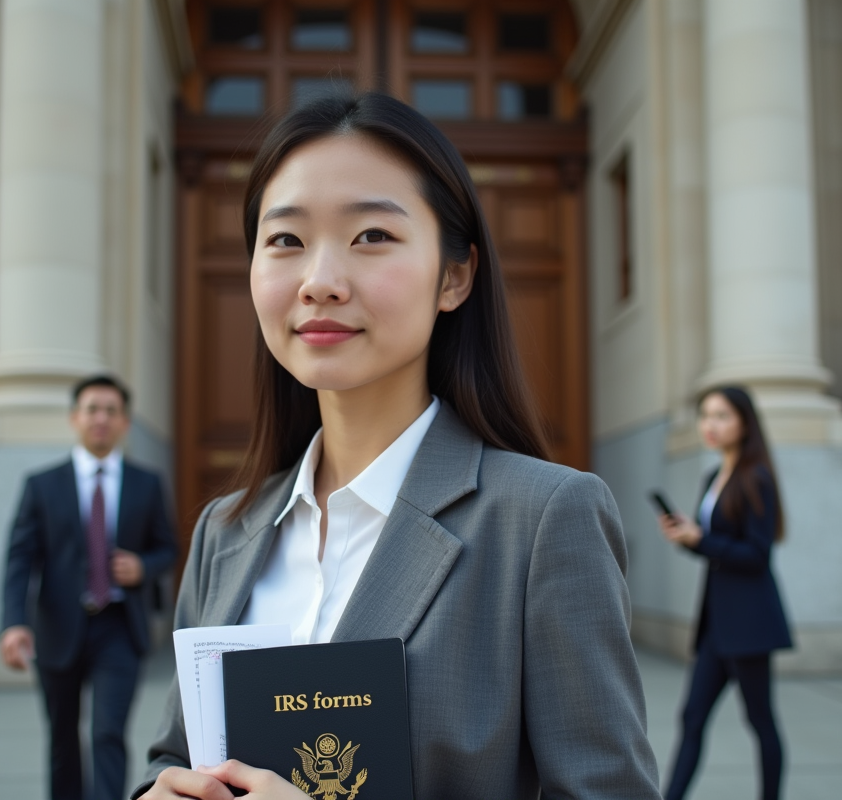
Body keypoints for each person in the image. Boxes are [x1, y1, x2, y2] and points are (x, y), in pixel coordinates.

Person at [133, 92, 661, 800]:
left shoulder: (542, 522)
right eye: (285, 240)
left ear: (455, 276)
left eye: (372, 236)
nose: (320, 282)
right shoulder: (223, 532)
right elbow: (173, 754)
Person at [0, 375, 177, 800]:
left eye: (111, 411)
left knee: (107, 734)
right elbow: (20, 557)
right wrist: (13, 624)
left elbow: (168, 548)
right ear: (74, 418)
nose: (101, 418)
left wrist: (143, 566)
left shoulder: (146, 483)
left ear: (125, 422)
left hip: (120, 625)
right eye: (92, 409)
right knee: (62, 738)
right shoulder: (42, 485)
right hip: (58, 626)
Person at [656, 385, 793, 800]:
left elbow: (756, 554)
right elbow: (716, 548)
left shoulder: (757, 479)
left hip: (749, 621)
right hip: (717, 622)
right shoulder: (714, 476)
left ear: (745, 423)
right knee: (692, 716)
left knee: (760, 721)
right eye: (705, 416)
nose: (709, 425)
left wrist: (701, 539)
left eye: (721, 416)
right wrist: (688, 538)